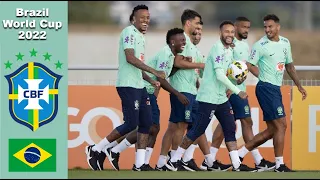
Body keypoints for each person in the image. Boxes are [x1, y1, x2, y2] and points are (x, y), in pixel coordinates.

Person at [166, 20, 257, 172]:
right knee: (197, 130)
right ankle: (174, 160)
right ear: (220, 33)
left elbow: (227, 72)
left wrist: (237, 78)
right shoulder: (217, 49)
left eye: (231, 32)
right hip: (208, 97)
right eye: (226, 32)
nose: (230, 35)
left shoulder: (228, 50)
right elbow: (220, 75)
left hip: (220, 98)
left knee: (229, 127)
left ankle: (236, 164)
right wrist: (237, 90)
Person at [85, 4, 166, 171]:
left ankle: (139, 164)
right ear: (133, 19)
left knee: (146, 124)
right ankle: (96, 149)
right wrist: (153, 70)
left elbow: (137, 65)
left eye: (148, 18)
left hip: (139, 85)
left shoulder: (141, 37)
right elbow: (130, 58)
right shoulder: (129, 32)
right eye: (142, 18)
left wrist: (151, 80)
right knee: (131, 123)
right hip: (127, 85)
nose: (146, 21)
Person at [105, 27, 189, 171]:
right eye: (181, 40)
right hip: (144, 89)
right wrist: (177, 94)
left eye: (184, 40)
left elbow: (164, 73)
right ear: (172, 42)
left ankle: (142, 162)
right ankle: (114, 150)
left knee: (153, 128)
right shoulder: (165, 53)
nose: (184, 42)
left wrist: (177, 69)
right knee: (149, 127)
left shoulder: (170, 56)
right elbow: (161, 79)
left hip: (150, 92)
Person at [204, 16, 275, 172]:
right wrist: (230, 88)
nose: (246, 30)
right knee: (244, 122)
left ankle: (211, 159)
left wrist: (265, 78)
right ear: (235, 28)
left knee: (230, 124)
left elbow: (246, 66)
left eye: (248, 28)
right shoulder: (229, 46)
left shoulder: (243, 45)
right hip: (233, 91)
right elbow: (226, 67)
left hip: (239, 89)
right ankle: (256, 159)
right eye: (244, 27)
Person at [239, 14, 307, 172]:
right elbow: (249, 64)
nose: (267, 30)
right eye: (265, 27)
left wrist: (299, 86)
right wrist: (261, 76)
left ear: (278, 27)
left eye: (270, 26)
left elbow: (289, 66)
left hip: (275, 89)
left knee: (273, 129)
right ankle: (280, 165)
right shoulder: (260, 45)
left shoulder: (285, 42)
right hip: (266, 88)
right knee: (281, 125)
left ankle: (239, 154)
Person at [155, 9, 206, 171]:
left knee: (178, 126)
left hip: (190, 90)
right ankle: (176, 160)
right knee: (181, 126)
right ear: (188, 23)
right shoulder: (183, 43)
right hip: (182, 90)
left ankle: (163, 162)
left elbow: (190, 69)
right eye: (197, 23)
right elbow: (177, 62)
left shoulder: (191, 45)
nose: (199, 28)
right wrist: (200, 65)